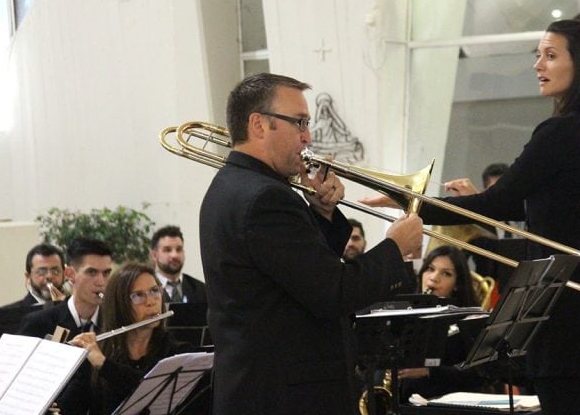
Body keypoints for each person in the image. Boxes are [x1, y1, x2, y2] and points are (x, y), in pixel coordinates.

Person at [364, 19, 580, 415]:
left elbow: (497, 202)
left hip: (569, 305)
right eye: (537, 55)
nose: (537, 64)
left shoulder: (559, 131)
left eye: (550, 55)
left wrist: (412, 203)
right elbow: (531, 206)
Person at [199, 72, 424, 414]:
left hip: (263, 388)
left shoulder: (234, 186)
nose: (307, 137)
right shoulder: (265, 197)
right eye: (299, 122)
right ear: (259, 124)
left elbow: (295, 278)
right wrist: (394, 247)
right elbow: (333, 291)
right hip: (284, 395)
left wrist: (321, 214)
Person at [57, 262, 196, 415]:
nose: (151, 302)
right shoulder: (97, 354)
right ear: (119, 304)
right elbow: (69, 409)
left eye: (154, 291)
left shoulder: (177, 353)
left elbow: (148, 389)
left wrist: (104, 365)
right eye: (138, 295)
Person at [398, 245, 486, 401]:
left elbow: (478, 374)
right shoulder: (402, 313)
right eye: (430, 269)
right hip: (405, 400)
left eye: (446, 273)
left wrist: (429, 371)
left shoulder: (468, 319)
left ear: (457, 284)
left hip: (448, 402)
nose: (434, 278)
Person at [18, 238, 113, 339]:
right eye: (91, 272)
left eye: (106, 273)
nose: (101, 282)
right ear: (70, 274)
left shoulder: (116, 320)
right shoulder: (38, 323)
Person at [0, 243, 67, 310]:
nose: (49, 276)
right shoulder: (8, 313)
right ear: (28, 276)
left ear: (64, 274)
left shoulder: (74, 310)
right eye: (41, 272)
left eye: (55, 271)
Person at [149, 225, 207, 304]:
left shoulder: (201, 289)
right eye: (167, 250)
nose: (174, 255)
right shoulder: (146, 289)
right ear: (154, 255)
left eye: (179, 249)